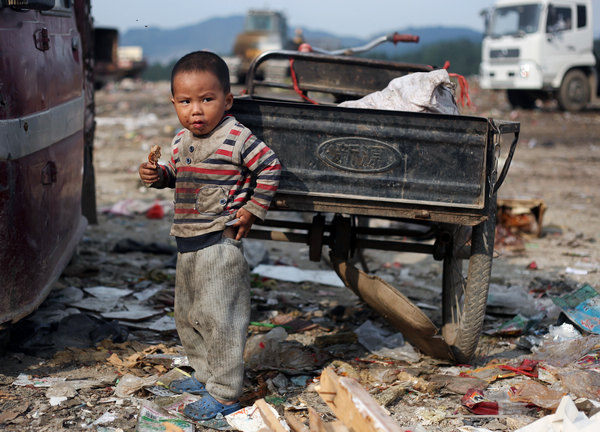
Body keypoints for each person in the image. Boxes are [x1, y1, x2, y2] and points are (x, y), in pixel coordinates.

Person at [138, 51, 281, 420]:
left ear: (227, 100)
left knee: (221, 319)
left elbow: (269, 166)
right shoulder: (180, 140)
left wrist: (253, 209)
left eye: (207, 99)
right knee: (189, 315)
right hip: (187, 241)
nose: (196, 111)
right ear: (174, 103)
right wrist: (159, 176)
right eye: (186, 102)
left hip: (220, 242)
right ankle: (204, 375)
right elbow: (176, 174)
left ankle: (225, 393)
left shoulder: (235, 136)